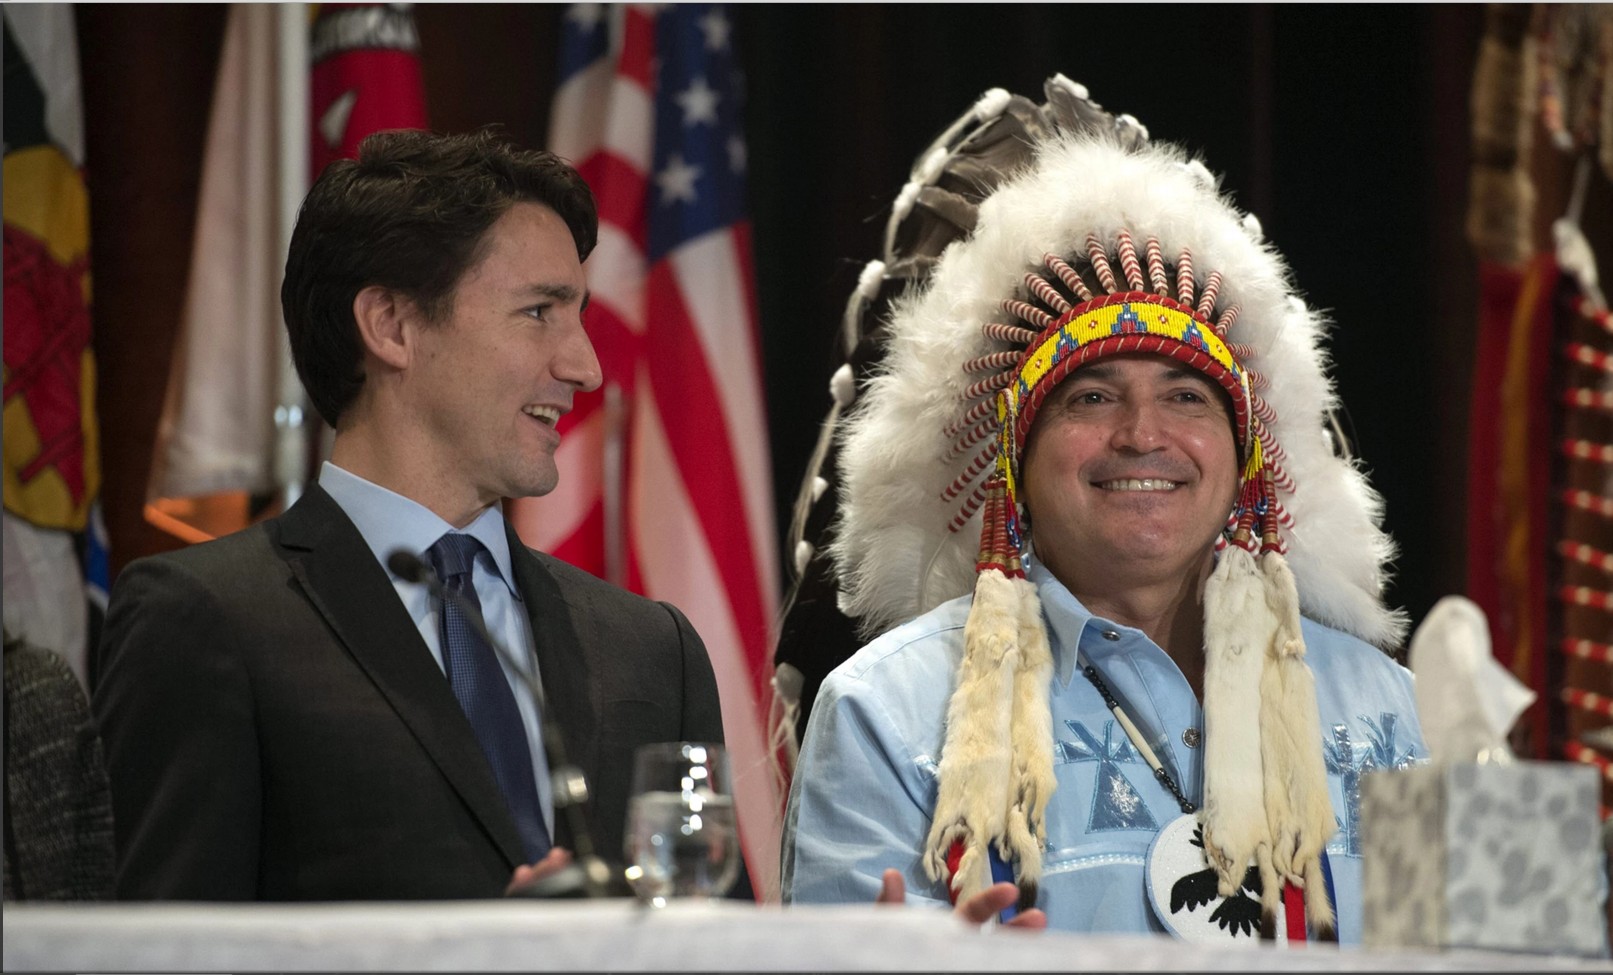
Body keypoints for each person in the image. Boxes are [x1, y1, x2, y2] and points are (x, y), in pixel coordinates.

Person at [780, 79, 1427, 944]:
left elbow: (1485, 961)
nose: (1140, 436)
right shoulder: (887, 711)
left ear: (1243, 458)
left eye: (1187, 398)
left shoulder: (1379, 707)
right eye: (1088, 396)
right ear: (1013, 458)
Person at [93, 129, 725, 900]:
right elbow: (162, 954)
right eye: (538, 313)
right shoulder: (204, 620)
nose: (585, 366)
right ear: (391, 324)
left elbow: (713, 931)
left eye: (578, 315)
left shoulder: (654, 650)